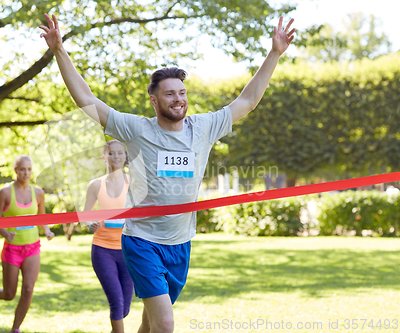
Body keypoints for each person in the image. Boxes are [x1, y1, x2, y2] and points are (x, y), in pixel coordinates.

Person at [40, 14, 295, 333]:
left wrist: (274, 53)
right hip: (141, 240)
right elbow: (87, 101)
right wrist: (59, 51)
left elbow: (248, 100)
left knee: (150, 324)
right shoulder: (136, 129)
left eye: (182, 92)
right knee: (165, 325)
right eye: (170, 93)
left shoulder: (203, 127)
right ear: (154, 99)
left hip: (181, 242)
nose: (179, 99)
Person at [0, 155, 55, 333]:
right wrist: (6, 233)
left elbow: (42, 218)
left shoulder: (38, 193)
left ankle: (15, 329)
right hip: (12, 249)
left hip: (33, 248)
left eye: (29, 169)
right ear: (15, 170)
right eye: (22, 169)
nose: (26, 173)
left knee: (28, 289)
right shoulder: (5, 193)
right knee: (9, 294)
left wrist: (47, 231)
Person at [83, 140, 133, 333]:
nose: (116, 157)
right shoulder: (95, 185)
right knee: (117, 303)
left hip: (128, 251)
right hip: (102, 250)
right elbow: (85, 215)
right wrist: (90, 224)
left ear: (125, 156)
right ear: (104, 156)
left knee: (125, 308)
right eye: (111, 153)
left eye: (120, 153)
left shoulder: (134, 183)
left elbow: (142, 214)